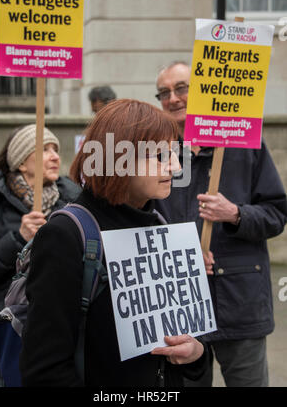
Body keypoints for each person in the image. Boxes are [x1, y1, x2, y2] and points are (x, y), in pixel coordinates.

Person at [20, 99, 209, 387]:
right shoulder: (65, 236)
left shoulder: (159, 225)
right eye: (160, 155)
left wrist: (196, 353)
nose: (174, 166)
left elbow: (185, 356)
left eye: (175, 153)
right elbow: (44, 369)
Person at [154, 61, 287, 387]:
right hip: (180, 305)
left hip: (239, 304)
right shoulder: (157, 152)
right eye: (163, 93)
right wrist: (182, 254)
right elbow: (143, 223)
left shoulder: (246, 144)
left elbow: (277, 214)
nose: (172, 98)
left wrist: (236, 214)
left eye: (181, 88)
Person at [0, 124, 81, 386]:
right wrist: (18, 238)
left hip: (54, 326)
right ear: (20, 163)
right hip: (4, 325)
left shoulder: (73, 199)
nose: (54, 156)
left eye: (56, 149)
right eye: (43, 149)